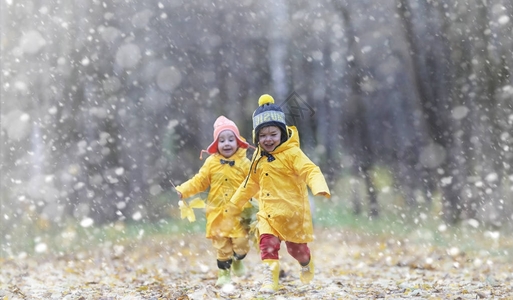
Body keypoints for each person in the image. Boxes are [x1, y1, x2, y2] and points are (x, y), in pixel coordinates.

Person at [223, 94, 331, 294]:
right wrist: (234, 204)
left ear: (282, 133)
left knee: (296, 251)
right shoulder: (258, 158)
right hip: (268, 214)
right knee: (267, 245)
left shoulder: (292, 153)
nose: (268, 139)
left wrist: (319, 186)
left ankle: (306, 263)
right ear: (257, 138)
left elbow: (310, 170)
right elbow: (250, 183)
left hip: (292, 214)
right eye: (262, 136)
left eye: (273, 134)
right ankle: (270, 281)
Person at [175, 116, 256, 287]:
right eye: (222, 140)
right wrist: (183, 190)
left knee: (241, 243)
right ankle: (224, 274)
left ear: (238, 141)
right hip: (217, 213)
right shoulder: (211, 163)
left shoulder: (245, 163)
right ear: (216, 144)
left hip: (238, 212)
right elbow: (199, 181)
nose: (226, 143)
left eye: (230, 139)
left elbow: (254, 184)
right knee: (222, 246)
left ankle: (238, 258)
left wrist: (263, 199)